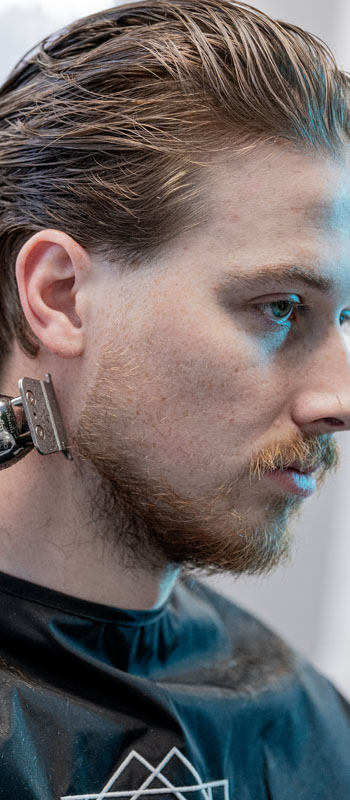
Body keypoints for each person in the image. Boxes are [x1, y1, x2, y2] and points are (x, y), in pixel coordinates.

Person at [0, 0, 349, 796]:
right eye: (281, 307)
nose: (340, 399)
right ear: (59, 297)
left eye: (348, 318)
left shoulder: (310, 729)